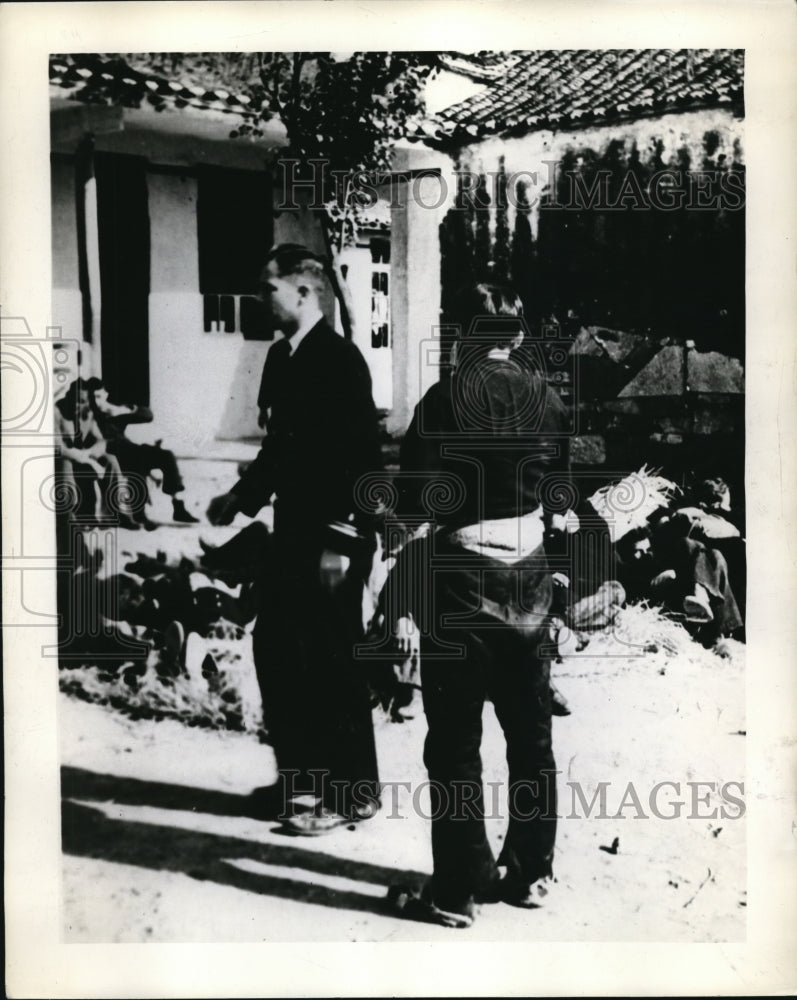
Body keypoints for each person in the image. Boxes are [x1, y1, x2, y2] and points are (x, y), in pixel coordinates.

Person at [386, 284, 571, 928]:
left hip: (463, 579)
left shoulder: (442, 400)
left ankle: (458, 890)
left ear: (463, 335)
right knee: (531, 735)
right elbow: (560, 497)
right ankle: (529, 872)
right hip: (531, 580)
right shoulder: (549, 400)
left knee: (456, 743)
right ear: (517, 336)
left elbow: (413, 506)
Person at [207, 243, 383, 834]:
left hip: (333, 539)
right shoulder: (282, 358)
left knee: (333, 655)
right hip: (292, 534)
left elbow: (363, 460)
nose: (261, 299)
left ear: (304, 292)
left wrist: (346, 543)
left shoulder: (340, 360)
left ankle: (353, 793)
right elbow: (280, 448)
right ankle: (300, 781)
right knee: (279, 651)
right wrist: (241, 498)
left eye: (268, 288)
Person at [86, 378, 199, 527]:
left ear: (106, 395)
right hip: (111, 455)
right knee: (136, 465)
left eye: (99, 397)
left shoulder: (113, 411)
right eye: (92, 397)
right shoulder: (89, 414)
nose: (96, 401)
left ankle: (178, 506)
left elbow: (147, 415)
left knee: (166, 456)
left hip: (130, 450)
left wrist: (121, 410)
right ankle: (139, 515)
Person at [54, 377, 140, 530]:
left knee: (111, 460)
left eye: (82, 401)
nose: (77, 405)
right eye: (74, 399)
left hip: (83, 456)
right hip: (64, 458)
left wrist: (89, 454)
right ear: (68, 396)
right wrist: (85, 458)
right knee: (66, 465)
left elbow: (100, 440)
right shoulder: (57, 412)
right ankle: (70, 517)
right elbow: (57, 447)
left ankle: (114, 513)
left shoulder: (87, 412)